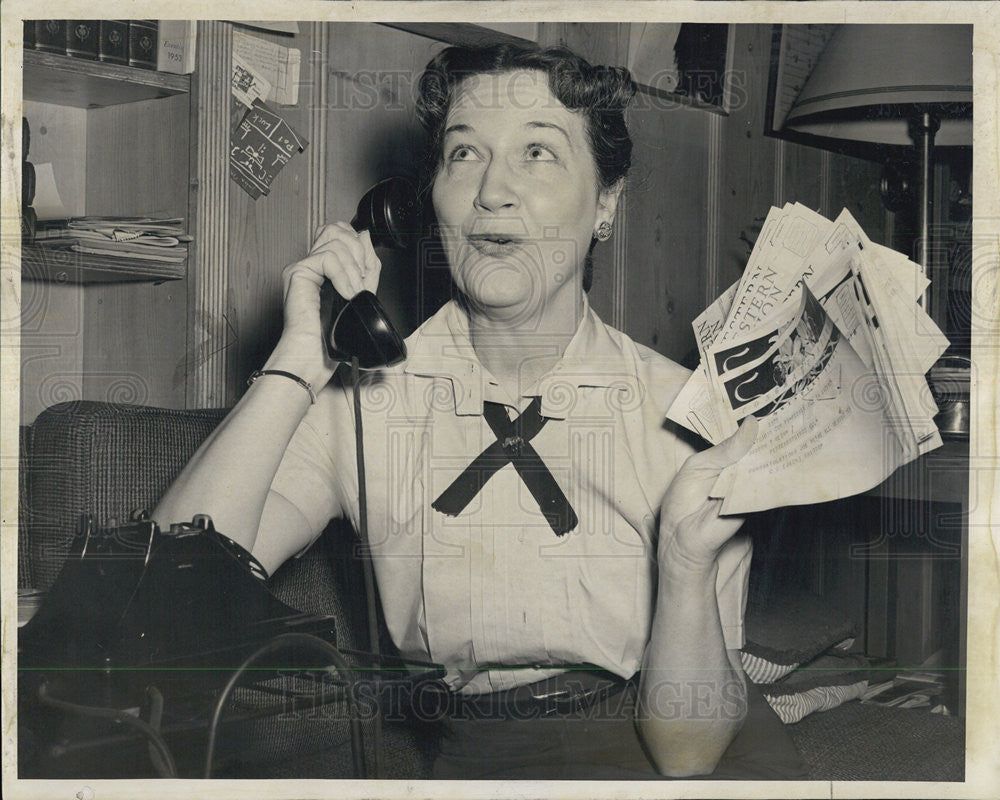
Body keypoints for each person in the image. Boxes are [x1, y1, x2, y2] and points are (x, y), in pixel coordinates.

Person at [153, 42, 807, 780]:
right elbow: (169, 601)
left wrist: (685, 565)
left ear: (606, 202)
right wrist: (301, 359)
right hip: (485, 755)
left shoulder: (687, 416)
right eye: (464, 155)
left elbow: (689, 753)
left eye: (539, 153)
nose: (493, 190)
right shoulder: (362, 404)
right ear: (426, 202)